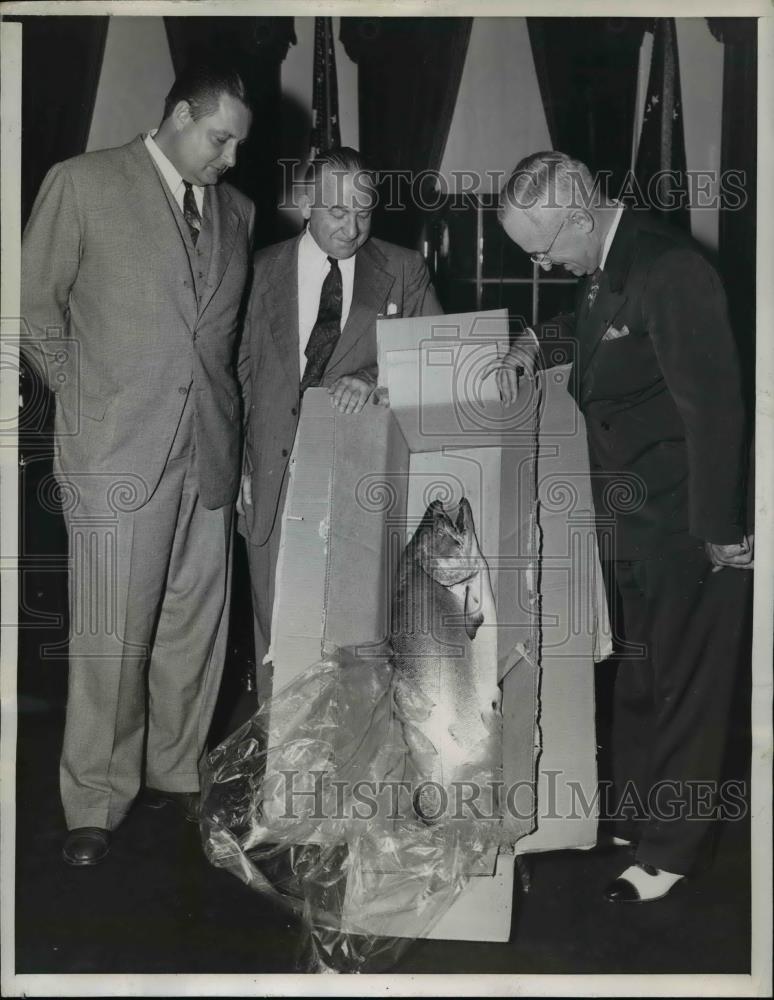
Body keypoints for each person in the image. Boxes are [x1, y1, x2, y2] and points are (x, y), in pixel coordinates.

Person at [487, 150, 753, 902]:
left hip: (691, 521)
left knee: (689, 687)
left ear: (578, 214)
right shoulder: (609, 264)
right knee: (639, 676)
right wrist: (536, 342)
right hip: (632, 519)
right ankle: (635, 815)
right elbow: (598, 329)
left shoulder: (673, 270)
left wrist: (721, 531)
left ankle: (671, 853)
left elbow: (716, 409)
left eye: (542, 247)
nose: (540, 262)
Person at [21, 63, 255, 866]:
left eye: (237, 146)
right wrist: (84, 397)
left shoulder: (239, 212)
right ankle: (94, 798)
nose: (230, 159)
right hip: (117, 450)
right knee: (110, 634)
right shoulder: (82, 183)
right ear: (181, 116)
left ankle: (177, 772)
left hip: (210, 453)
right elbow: (29, 304)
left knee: (194, 628)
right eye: (221, 139)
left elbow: (218, 338)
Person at [237, 146, 441, 701]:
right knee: (277, 626)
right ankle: (282, 772)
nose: (352, 229)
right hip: (273, 482)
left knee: (356, 633)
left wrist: (377, 379)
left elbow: (437, 359)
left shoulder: (402, 269)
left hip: (360, 480)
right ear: (306, 203)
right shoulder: (257, 272)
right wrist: (239, 469)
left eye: (364, 212)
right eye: (336, 213)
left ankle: (349, 774)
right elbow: (235, 378)